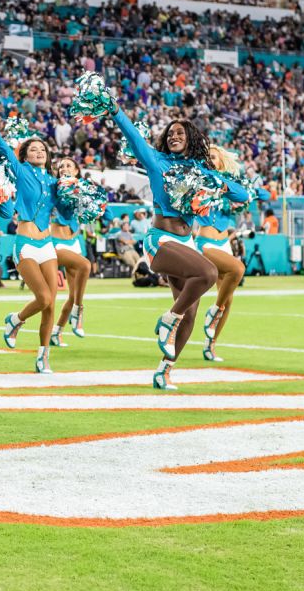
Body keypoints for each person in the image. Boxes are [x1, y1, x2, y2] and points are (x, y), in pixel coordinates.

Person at [112, 105, 249, 390]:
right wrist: (114, 110)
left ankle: (164, 371)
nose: (174, 135)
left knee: (191, 316)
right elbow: (133, 135)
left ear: (191, 138)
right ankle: (168, 318)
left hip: (187, 242)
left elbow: (242, 193)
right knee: (209, 274)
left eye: (180, 132)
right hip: (160, 240)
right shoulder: (156, 161)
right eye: (170, 132)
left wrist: (217, 185)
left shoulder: (200, 169)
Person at [0, 129, 59, 374]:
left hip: (48, 244)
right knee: (43, 298)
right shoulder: (20, 172)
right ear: (25, 155)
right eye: (33, 149)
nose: (39, 152)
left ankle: (43, 357)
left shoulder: (54, 181)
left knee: (51, 304)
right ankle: (16, 319)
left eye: (42, 149)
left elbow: (65, 207)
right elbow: (6, 152)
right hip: (26, 242)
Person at [198, 145, 269, 362]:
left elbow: (265, 194)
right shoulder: (201, 181)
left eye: (213, 157)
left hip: (224, 245)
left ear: (221, 162)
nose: (210, 160)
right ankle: (210, 314)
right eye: (207, 157)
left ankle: (210, 345)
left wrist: (250, 193)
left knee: (228, 300)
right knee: (235, 273)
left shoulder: (230, 186)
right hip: (205, 243)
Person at [48, 157, 97, 348]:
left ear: (77, 170)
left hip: (74, 241)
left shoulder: (81, 189)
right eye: (61, 166)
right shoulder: (53, 187)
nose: (64, 168)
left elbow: (99, 210)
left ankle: (57, 331)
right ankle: (79, 311)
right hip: (55, 242)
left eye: (68, 165)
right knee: (48, 296)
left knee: (73, 294)